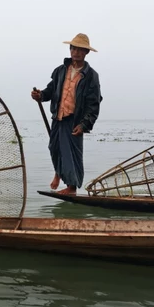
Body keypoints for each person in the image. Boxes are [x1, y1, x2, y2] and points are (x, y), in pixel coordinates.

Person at [31, 33, 102, 195]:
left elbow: (94, 104)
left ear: (86, 53)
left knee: (72, 154)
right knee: (54, 148)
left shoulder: (91, 76)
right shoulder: (60, 71)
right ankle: (58, 173)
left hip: (74, 120)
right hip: (58, 117)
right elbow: (51, 91)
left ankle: (71, 187)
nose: (75, 52)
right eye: (73, 48)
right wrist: (40, 95)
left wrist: (84, 125)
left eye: (80, 49)